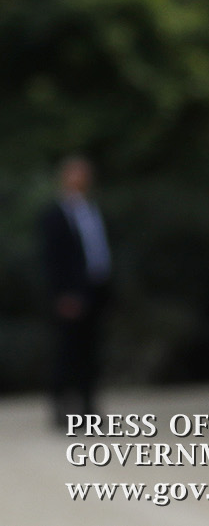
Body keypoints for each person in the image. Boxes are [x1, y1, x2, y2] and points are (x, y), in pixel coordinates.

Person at [39, 153, 112, 425]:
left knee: (91, 352)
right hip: (70, 295)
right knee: (67, 352)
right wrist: (63, 294)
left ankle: (88, 407)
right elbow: (52, 259)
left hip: (96, 291)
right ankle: (61, 407)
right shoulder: (53, 215)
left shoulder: (94, 211)